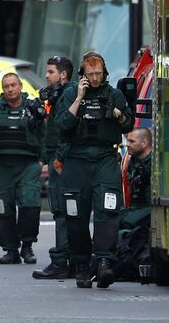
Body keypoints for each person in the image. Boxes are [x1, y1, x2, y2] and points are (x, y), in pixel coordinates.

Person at [55, 51, 134, 289]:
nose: (95, 78)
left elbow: (129, 124)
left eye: (98, 73)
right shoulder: (70, 93)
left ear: (105, 73)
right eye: (90, 74)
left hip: (105, 160)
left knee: (107, 211)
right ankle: (81, 266)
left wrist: (119, 114)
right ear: (83, 75)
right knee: (75, 216)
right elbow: (61, 126)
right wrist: (79, 98)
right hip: (77, 160)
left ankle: (103, 263)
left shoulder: (114, 94)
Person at [0, 73, 45, 265]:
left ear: (21, 86)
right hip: (0, 167)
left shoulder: (34, 108)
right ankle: (10, 250)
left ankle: (27, 246)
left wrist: (41, 162)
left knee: (30, 206)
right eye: (6, 86)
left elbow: (46, 135)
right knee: (0, 209)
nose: (10, 89)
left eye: (13, 85)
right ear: (3, 89)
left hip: (27, 166)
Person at [32, 56, 74, 279]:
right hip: (58, 159)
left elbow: (67, 130)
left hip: (62, 162)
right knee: (66, 211)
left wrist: (57, 159)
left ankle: (60, 262)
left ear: (63, 74)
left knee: (61, 210)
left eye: (50, 72)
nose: (46, 76)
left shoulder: (67, 94)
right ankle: (73, 261)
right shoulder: (57, 95)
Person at [121, 127, 152, 230]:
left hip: (149, 207)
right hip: (131, 207)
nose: (127, 144)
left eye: (131, 141)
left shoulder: (155, 163)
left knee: (127, 222)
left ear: (144, 143)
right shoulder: (131, 161)